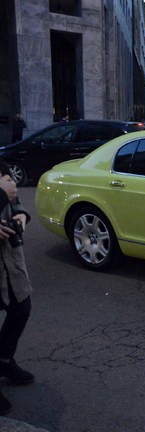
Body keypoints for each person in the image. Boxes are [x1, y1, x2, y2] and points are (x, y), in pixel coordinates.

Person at [0, 160, 34, 415]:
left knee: (21, 307)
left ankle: (4, 360)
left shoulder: (1, 165)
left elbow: (15, 199)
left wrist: (21, 214)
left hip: (9, 258)